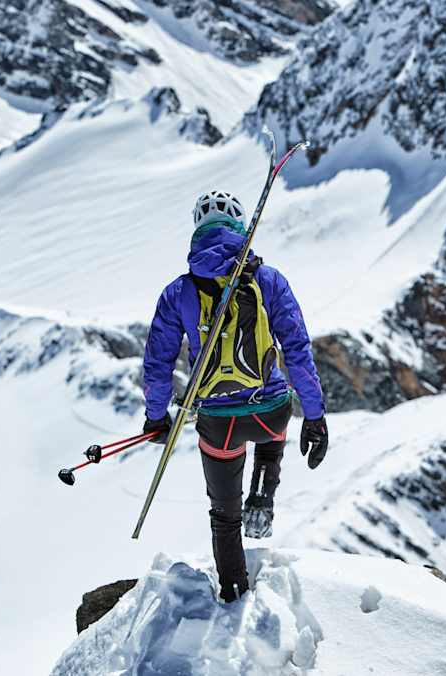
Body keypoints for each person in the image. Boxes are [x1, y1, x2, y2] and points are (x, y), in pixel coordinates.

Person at [141, 190, 329, 602]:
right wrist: (314, 415)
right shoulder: (269, 280)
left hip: (218, 424)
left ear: (197, 229)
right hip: (271, 412)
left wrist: (157, 417)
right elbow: (296, 349)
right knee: (271, 419)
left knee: (224, 516)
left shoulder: (178, 293)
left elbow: (158, 363)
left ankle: (233, 591)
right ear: (242, 225)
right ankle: (264, 490)